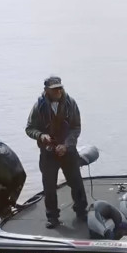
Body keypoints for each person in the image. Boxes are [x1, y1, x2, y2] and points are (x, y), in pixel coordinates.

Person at [25, 76, 88, 228]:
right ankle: (52, 217)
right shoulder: (38, 107)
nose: (58, 91)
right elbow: (29, 129)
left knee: (76, 182)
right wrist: (41, 135)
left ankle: (81, 212)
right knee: (49, 186)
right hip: (48, 153)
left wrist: (66, 145)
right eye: (54, 89)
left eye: (60, 87)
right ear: (46, 90)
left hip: (68, 151)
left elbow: (76, 128)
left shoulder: (70, 103)